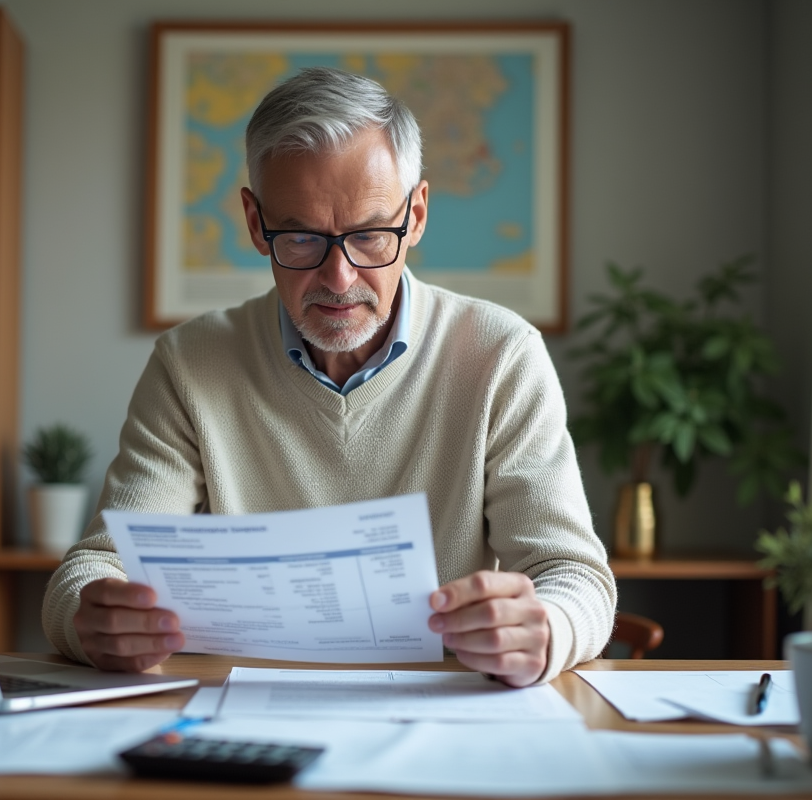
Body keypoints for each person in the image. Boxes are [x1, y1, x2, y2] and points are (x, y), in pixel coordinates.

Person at [42, 67, 615, 688]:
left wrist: (548, 628)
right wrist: (91, 619)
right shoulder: (190, 364)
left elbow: (574, 575)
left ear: (416, 215)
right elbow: (95, 568)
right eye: (300, 237)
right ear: (256, 223)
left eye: (370, 235)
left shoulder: (501, 355)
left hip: (441, 703)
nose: (339, 278)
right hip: (245, 704)